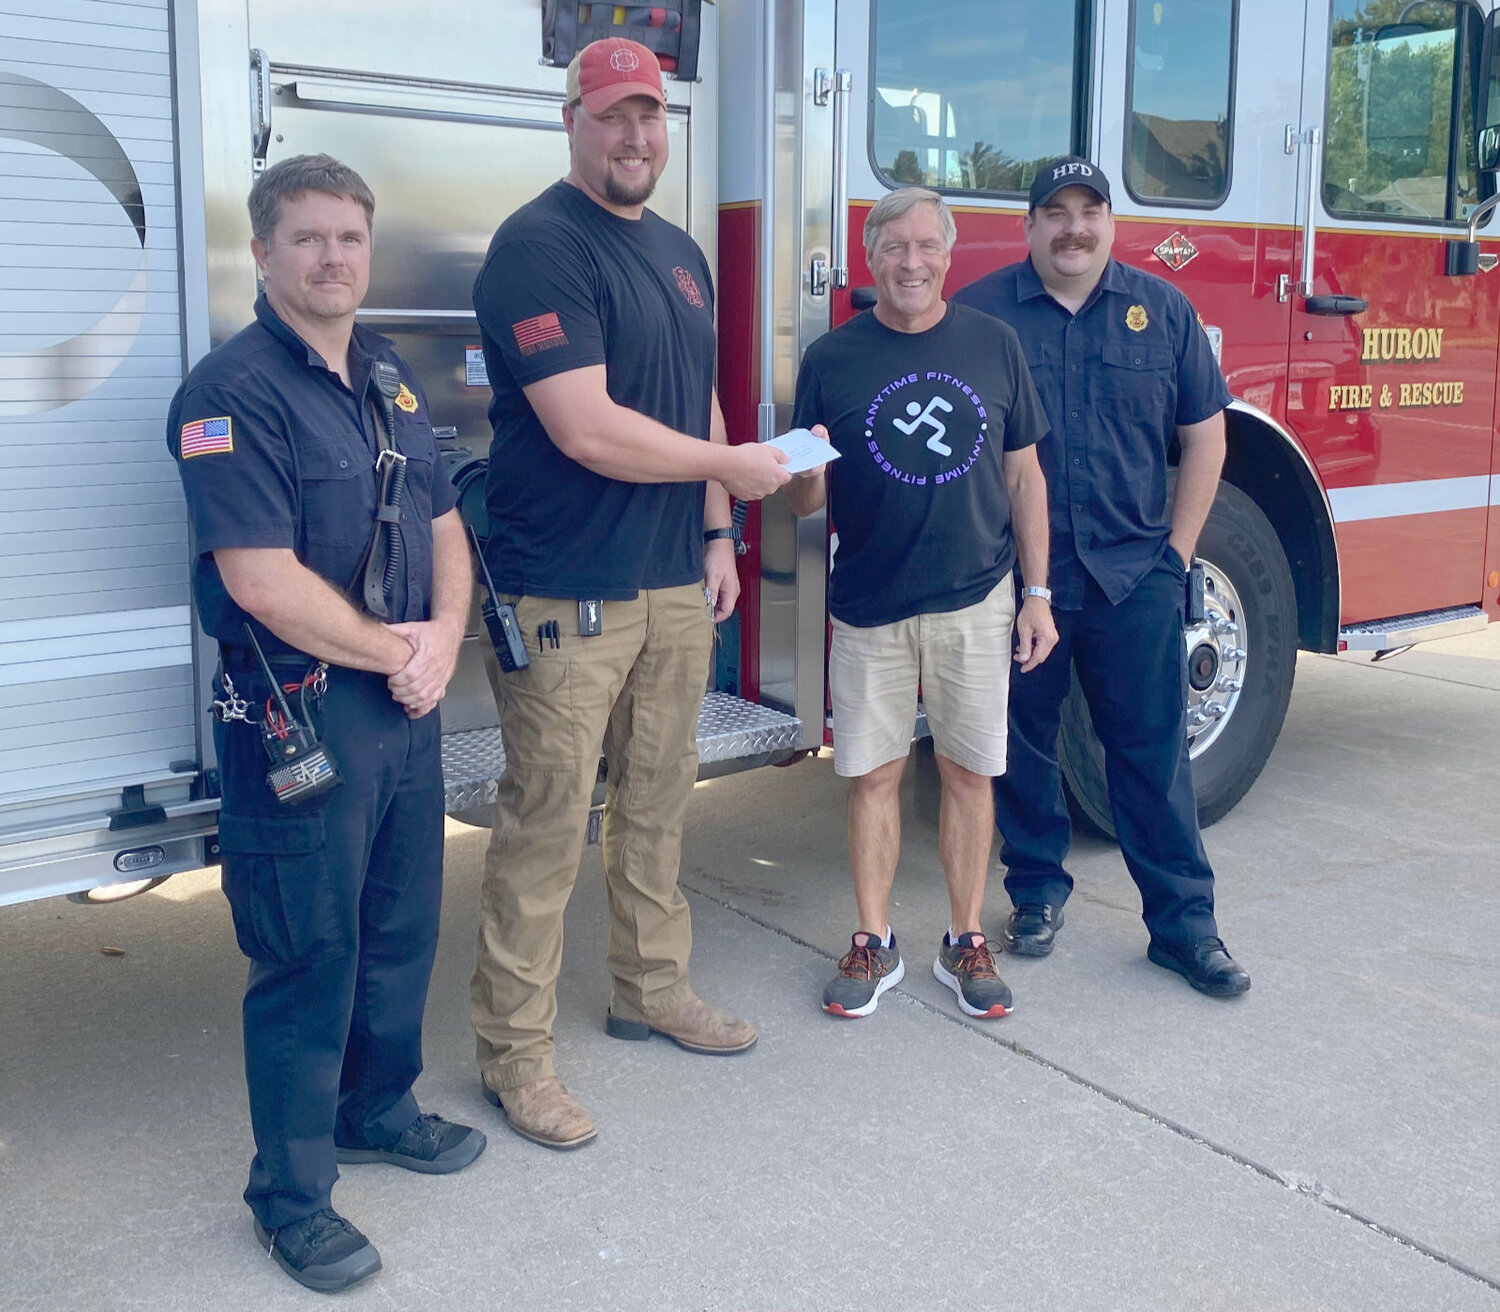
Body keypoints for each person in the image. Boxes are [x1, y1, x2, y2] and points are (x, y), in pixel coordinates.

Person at [167, 154, 484, 1294]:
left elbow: (444, 517)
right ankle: (291, 1197)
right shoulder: (229, 394)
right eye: (306, 239)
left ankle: (378, 1108)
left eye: (349, 238)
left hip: (404, 699)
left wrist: (445, 638)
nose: (332, 258)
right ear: (262, 254)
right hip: (301, 714)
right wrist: (403, 650)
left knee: (402, 926)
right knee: (310, 954)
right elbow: (258, 579)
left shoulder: (389, 374)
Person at [468, 37, 792, 1151]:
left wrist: (716, 527)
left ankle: (651, 988)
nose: (633, 136)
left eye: (648, 116)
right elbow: (587, 425)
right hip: (565, 593)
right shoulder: (536, 248)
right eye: (611, 116)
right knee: (546, 827)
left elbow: (692, 391)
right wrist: (731, 469)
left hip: (666, 584)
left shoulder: (679, 250)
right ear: (573, 122)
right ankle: (515, 1056)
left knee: (659, 803)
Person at [952, 157, 1251, 997]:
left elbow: (1206, 437)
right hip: (1021, 584)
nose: (1073, 227)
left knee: (1152, 759)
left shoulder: (1163, 312)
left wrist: (1178, 555)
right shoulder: (981, 317)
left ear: (1111, 224)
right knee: (1021, 752)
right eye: (1055, 211)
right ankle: (1037, 894)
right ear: (1030, 227)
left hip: (1134, 576)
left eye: (1089, 210)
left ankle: (1185, 927)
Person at [786, 188, 1055, 1020]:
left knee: (970, 774)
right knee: (872, 776)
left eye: (925, 247)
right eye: (894, 248)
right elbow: (803, 505)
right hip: (869, 603)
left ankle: (963, 939)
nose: (910, 262)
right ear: (872, 258)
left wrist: (1037, 595)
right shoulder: (832, 358)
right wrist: (804, 467)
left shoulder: (994, 344)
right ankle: (874, 942)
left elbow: (1024, 476)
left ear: (948, 253)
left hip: (978, 600)